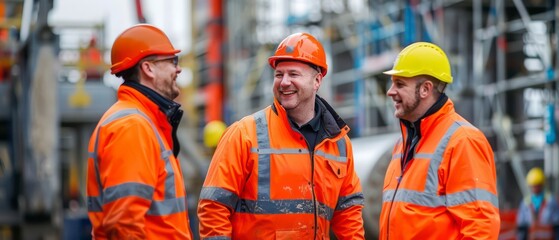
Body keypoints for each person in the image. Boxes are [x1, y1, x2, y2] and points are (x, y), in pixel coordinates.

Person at [197, 32, 365, 239]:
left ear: (317, 81)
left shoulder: (339, 143)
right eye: (279, 75)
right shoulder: (243, 134)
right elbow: (213, 209)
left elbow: (348, 214)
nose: (284, 82)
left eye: (293, 74)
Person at [379, 42, 500, 239]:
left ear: (425, 89)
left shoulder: (463, 141)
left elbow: (480, 229)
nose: (390, 91)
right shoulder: (402, 145)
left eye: (400, 84)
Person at [86, 24, 193, 239]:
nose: (178, 69)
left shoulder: (142, 121)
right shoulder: (132, 127)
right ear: (148, 69)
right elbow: (124, 224)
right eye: (172, 61)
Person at [517, 167, 559, 240]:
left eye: (537, 185)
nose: (535, 188)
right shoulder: (526, 203)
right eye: (533, 185)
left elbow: (556, 225)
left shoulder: (550, 201)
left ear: (542, 185)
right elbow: (521, 227)